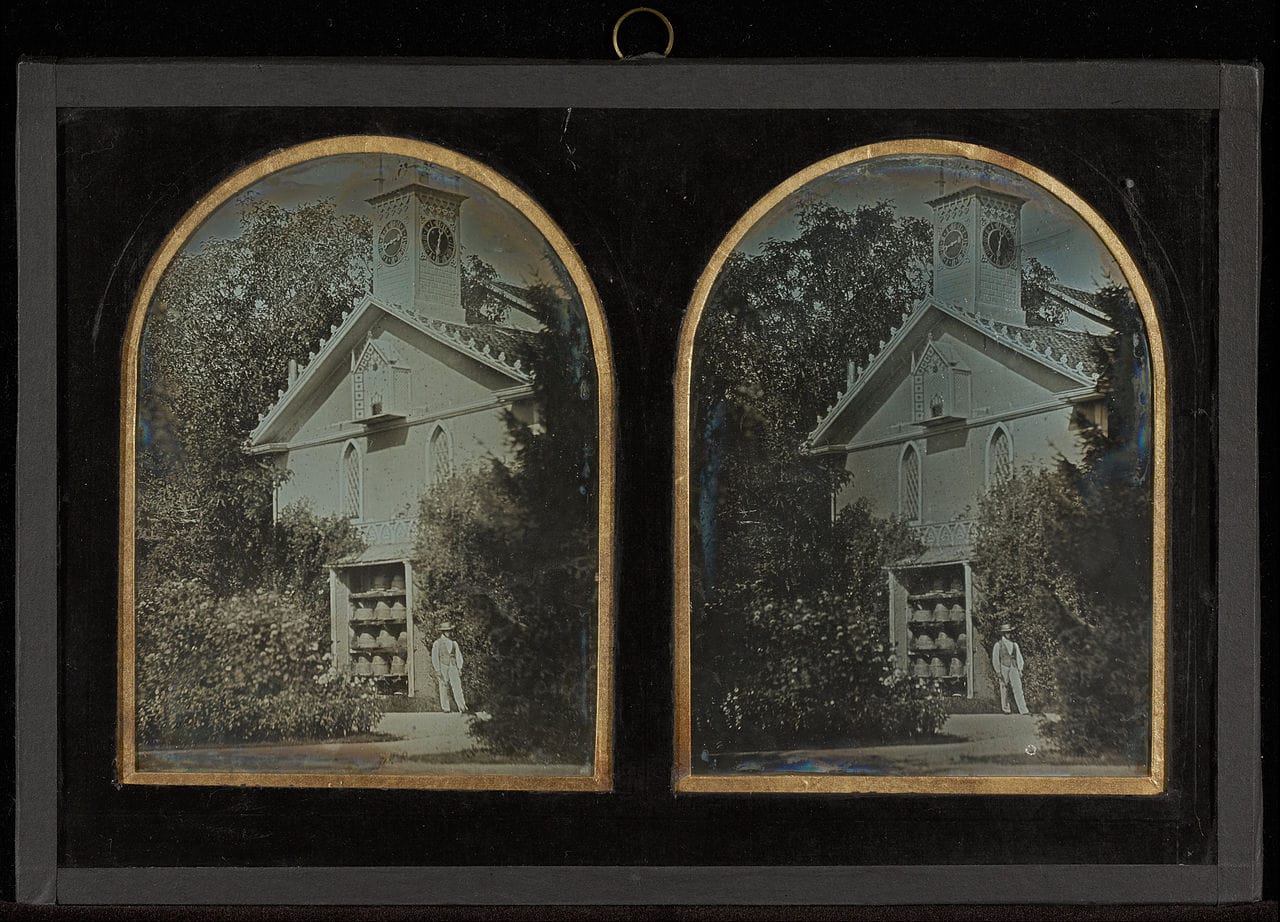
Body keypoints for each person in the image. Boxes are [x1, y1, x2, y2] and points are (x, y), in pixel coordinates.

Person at [990, 622, 1029, 715]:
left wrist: (1020, 669)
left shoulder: (1014, 644)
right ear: (1003, 633)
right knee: (1004, 687)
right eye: (1007, 632)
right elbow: (995, 658)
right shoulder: (998, 645)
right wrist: (998, 671)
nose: (1009, 634)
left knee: (1018, 687)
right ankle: (1006, 708)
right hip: (1004, 666)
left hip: (1013, 666)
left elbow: (1019, 657)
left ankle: (1023, 709)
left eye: (1010, 632)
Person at [431, 620, 467, 713]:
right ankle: (445, 707)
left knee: (457, 686)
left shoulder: (454, 643)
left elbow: (458, 656)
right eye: (446, 631)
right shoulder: (437, 643)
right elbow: (435, 656)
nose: (448, 633)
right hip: (443, 665)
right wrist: (437, 669)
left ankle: (462, 707)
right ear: (442, 631)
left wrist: (459, 667)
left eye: (449, 631)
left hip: (453, 665)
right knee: (443, 686)